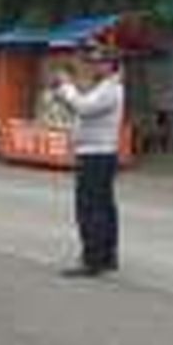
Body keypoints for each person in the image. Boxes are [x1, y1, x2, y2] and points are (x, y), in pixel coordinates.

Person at [54, 44, 125, 278]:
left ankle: (92, 259)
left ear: (111, 65)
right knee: (103, 207)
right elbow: (82, 106)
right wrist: (68, 91)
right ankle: (106, 255)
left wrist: (66, 86)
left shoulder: (110, 89)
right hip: (96, 153)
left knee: (89, 208)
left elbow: (84, 108)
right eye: (94, 62)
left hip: (96, 154)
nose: (95, 66)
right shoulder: (105, 87)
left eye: (100, 62)